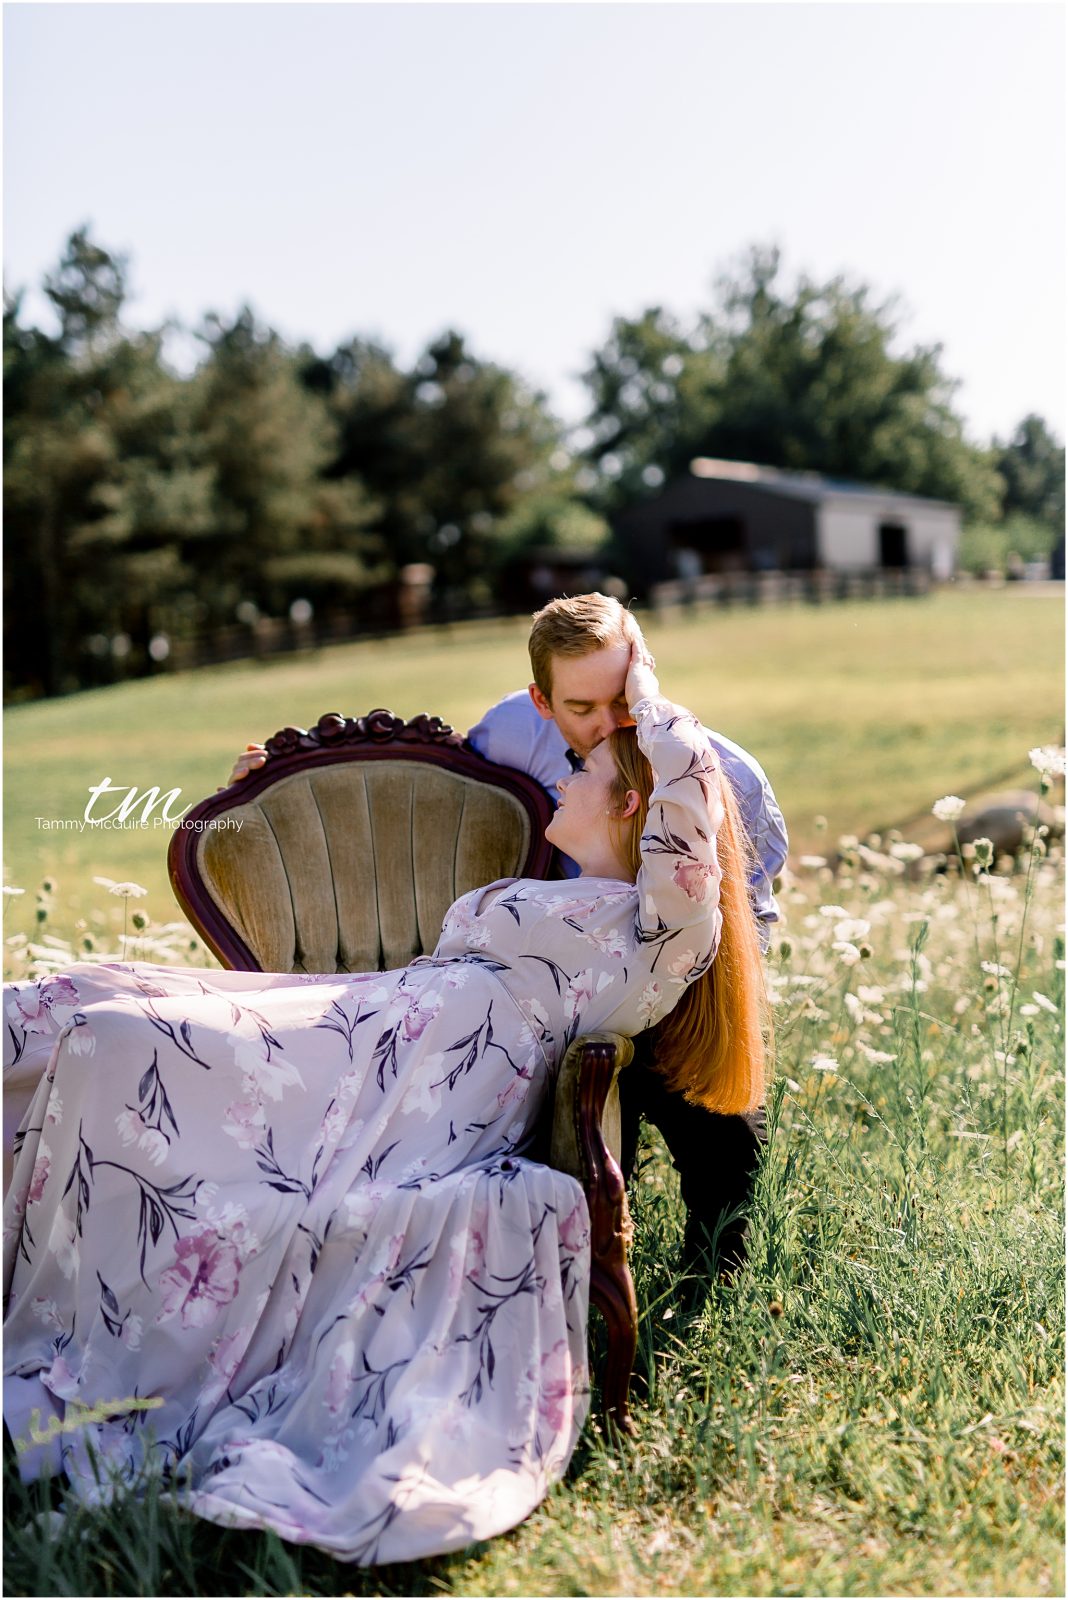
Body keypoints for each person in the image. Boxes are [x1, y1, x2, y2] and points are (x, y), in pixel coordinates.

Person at [3, 643, 769, 1566]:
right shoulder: (564, 892)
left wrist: (642, 691)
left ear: (636, 804)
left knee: (113, 1042)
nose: (565, 776)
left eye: (588, 768)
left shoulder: (655, 931)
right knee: (62, 1006)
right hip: (367, 1024)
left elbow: (691, 779)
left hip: (404, 1090)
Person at [226, 593, 788, 1277]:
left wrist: (648, 994)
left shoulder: (727, 778)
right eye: (581, 709)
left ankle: (713, 1282)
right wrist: (272, 787)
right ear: (542, 702)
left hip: (664, 971)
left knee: (715, 1131)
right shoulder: (511, 737)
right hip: (542, 978)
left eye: (623, 701)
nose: (609, 725)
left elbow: (735, 938)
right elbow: (429, 804)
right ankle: (591, 1245)